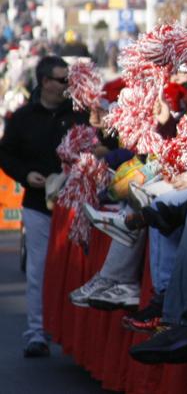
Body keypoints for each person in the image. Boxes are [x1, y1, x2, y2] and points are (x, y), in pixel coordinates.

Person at [0, 56, 88, 357]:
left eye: (69, 79)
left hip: (76, 205)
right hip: (38, 203)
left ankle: (70, 334)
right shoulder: (23, 117)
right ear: (45, 81)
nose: (67, 85)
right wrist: (26, 175)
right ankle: (36, 333)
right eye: (62, 79)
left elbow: (100, 146)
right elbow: (6, 154)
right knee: (37, 270)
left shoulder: (80, 114)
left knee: (76, 271)